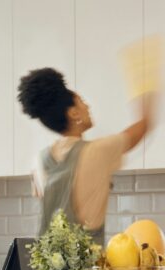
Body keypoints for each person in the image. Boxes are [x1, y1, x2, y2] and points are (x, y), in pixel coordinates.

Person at [17, 64, 155, 244]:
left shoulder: (39, 161)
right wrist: (146, 83)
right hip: (88, 269)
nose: (87, 106)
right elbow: (142, 127)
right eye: (81, 101)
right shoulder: (96, 152)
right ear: (73, 113)